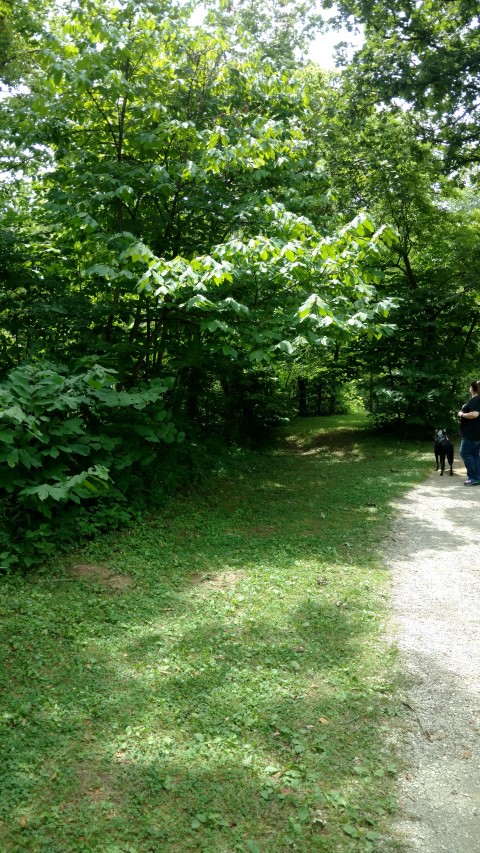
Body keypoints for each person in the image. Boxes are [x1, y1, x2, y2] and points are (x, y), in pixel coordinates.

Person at [458, 380, 480, 485]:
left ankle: (473, 478)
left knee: (465, 452)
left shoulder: (475, 400)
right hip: (476, 432)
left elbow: (475, 414)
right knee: (475, 454)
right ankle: (477, 476)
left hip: (471, 433)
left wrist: (462, 414)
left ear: (472, 388)